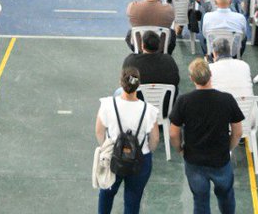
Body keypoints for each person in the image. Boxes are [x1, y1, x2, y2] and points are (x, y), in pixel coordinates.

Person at [169, 57, 244, 214]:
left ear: (191, 78)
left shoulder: (183, 101)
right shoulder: (226, 99)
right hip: (220, 161)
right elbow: (238, 132)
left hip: (195, 162)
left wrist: (180, 150)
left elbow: (173, 133)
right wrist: (228, 148)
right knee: (226, 197)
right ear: (211, 75)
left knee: (200, 201)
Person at [95, 67, 159, 214]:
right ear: (139, 85)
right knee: (133, 200)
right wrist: (147, 150)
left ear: (121, 83)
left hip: (113, 158)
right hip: (140, 160)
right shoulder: (149, 110)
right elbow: (155, 139)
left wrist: (107, 147)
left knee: (106, 194)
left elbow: (99, 132)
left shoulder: (107, 105)